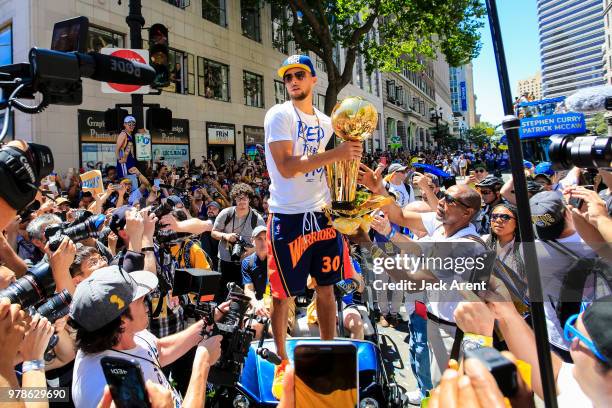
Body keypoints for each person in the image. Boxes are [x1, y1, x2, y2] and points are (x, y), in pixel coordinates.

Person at [264, 54, 361, 400]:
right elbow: (288, 166)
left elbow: (337, 164)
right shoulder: (279, 114)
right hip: (287, 217)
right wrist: (338, 155)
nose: (293, 81)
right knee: (282, 295)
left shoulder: (326, 121)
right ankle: (280, 356)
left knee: (327, 287)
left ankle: (329, 349)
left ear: (313, 80)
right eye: (288, 76)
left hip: (322, 214)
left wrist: (354, 175)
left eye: (300, 75)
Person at [70, 265, 223, 408]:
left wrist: (211, 319)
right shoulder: (106, 387)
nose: (147, 303)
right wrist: (203, 362)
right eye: (140, 300)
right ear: (122, 322)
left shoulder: (125, 332)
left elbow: (159, 350)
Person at [211, 183, 265, 300]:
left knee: (244, 293)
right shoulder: (226, 213)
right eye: (239, 198)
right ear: (234, 199)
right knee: (224, 292)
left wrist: (252, 250)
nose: (242, 201)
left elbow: (264, 240)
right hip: (225, 259)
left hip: (246, 261)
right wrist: (226, 236)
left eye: (245, 198)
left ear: (249, 199)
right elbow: (213, 233)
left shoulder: (257, 218)